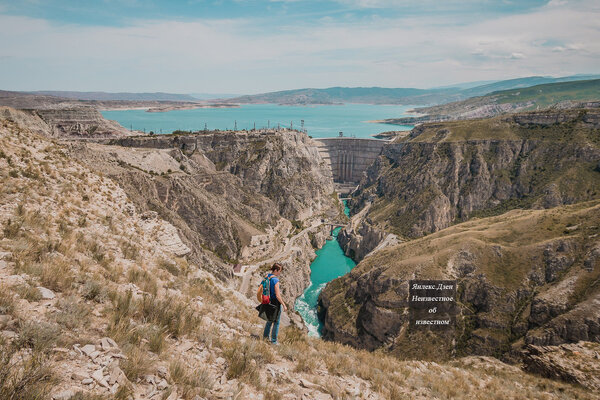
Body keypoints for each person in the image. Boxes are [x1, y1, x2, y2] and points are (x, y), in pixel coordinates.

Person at [257, 263, 287, 344]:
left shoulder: (267, 276)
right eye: (280, 271)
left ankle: (265, 337)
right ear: (276, 270)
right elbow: (277, 295)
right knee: (276, 322)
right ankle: (274, 341)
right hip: (275, 302)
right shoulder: (275, 280)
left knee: (269, 320)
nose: (280, 273)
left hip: (268, 301)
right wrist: (284, 304)